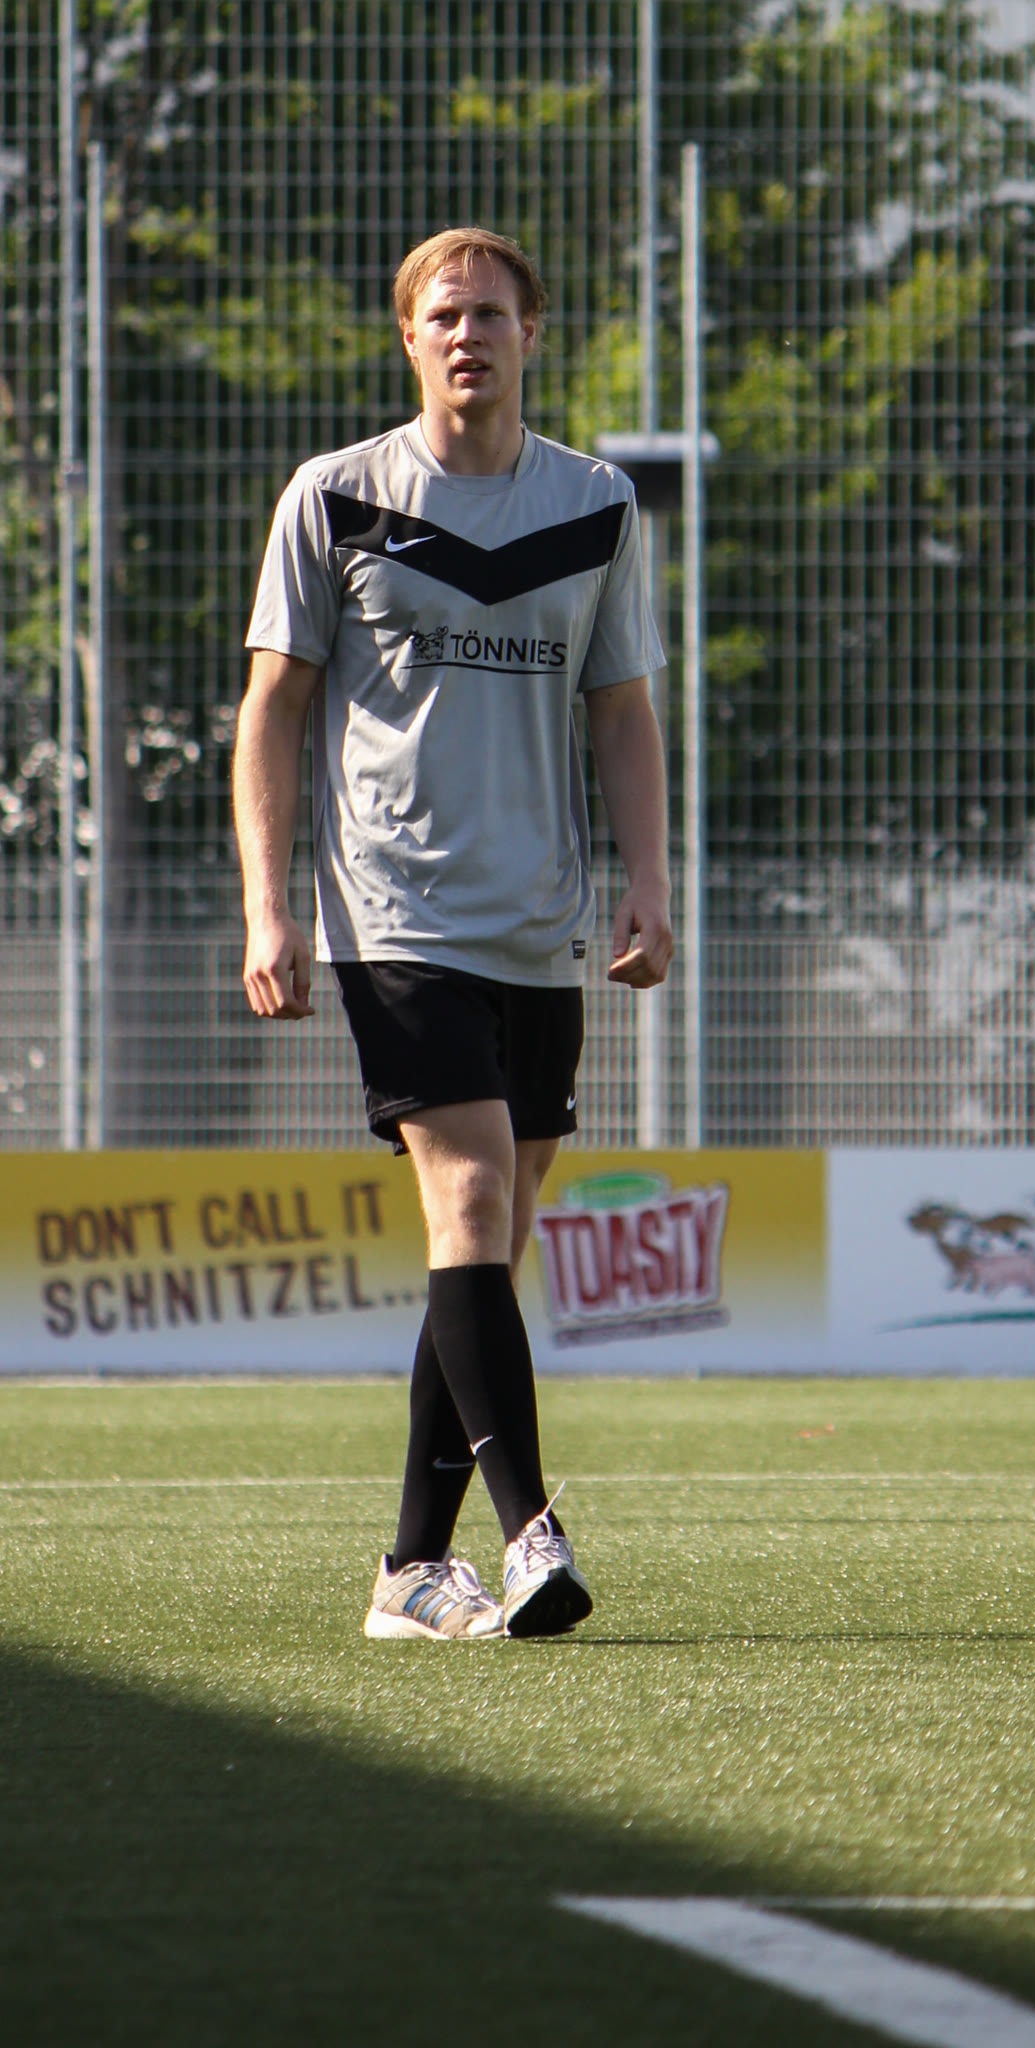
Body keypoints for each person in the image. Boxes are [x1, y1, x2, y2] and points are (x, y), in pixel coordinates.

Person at [233, 226, 672, 1641]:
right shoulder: (338, 495)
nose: (467, 334)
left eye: (490, 313)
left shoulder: (596, 504)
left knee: (482, 1237)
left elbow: (623, 709)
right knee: (473, 1200)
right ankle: (533, 1537)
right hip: (395, 909)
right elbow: (273, 709)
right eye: (443, 315)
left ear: (533, 333)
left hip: (538, 923)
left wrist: (650, 883)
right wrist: (269, 903)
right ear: (409, 339)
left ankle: (410, 1572)